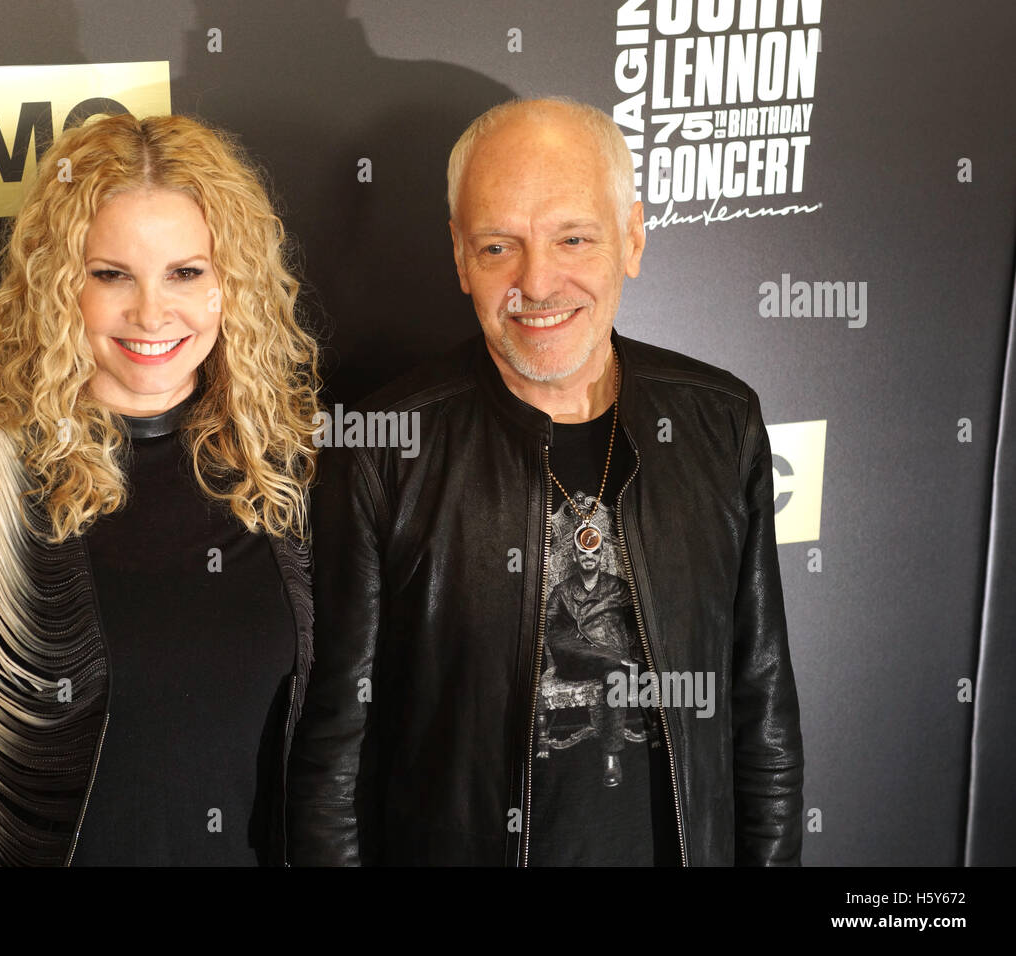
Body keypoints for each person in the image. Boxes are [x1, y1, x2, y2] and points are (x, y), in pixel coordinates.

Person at [287, 97, 804, 866]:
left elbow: (760, 713)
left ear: (632, 237)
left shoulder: (721, 422)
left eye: (573, 237)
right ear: (461, 257)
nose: (538, 281)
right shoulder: (385, 446)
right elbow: (336, 755)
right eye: (499, 247)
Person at [0, 112, 321, 866]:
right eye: (110, 274)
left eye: (186, 272)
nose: (151, 312)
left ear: (229, 285)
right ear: (57, 285)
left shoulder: (280, 474)